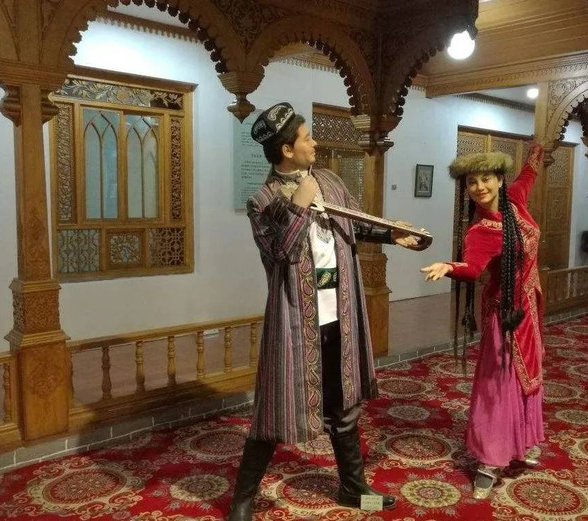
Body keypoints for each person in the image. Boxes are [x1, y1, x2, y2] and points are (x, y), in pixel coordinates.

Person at [227, 102, 418, 521]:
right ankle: (242, 500)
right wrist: (300, 202)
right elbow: (281, 252)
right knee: (274, 405)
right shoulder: (262, 201)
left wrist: (392, 234)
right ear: (286, 150)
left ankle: (353, 488)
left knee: (344, 401)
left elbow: (354, 222)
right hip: (295, 319)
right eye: (307, 137)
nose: (314, 143)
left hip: (340, 312)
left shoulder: (329, 180)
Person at [420, 143, 546, 499]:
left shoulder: (515, 199)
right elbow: (473, 268)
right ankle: (489, 462)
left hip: (529, 308)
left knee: (526, 379)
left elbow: (529, 173)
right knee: (499, 386)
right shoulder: (480, 231)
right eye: (472, 182)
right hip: (504, 317)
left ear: (500, 179)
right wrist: (449, 266)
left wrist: (539, 145)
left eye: (486, 178)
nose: (479, 187)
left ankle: (521, 442)